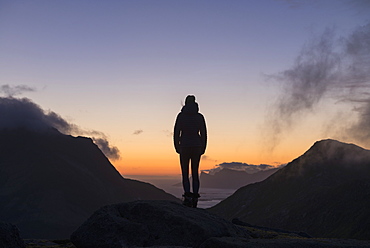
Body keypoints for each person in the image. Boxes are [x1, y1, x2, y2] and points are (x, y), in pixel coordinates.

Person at [173, 95, 207, 207]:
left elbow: (177, 132)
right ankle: (195, 197)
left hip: (184, 146)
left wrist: (177, 146)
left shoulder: (181, 116)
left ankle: (187, 197)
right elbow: (203, 133)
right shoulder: (199, 117)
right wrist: (203, 147)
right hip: (197, 146)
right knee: (195, 172)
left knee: (185, 172)